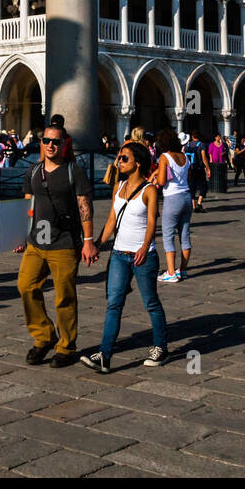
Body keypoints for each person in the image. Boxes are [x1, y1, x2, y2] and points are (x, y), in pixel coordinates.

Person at [81, 142, 168, 372]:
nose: (119, 162)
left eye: (124, 159)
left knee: (151, 303)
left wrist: (144, 246)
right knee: (114, 304)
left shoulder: (150, 189)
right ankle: (104, 355)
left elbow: (152, 222)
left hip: (143, 256)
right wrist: (98, 243)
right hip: (119, 254)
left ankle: (160, 346)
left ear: (137, 162)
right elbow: (112, 218)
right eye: (119, 158)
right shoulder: (119, 186)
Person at [19, 122, 98, 367]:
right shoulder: (33, 171)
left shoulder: (74, 171)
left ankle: (66, 346)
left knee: (64, 296)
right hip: (36, 242)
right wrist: (20, 234)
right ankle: (43, 336)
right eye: (46, 141)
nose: (51, 145)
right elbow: (27, 205)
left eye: (56, 141)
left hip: (63, 242)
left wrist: (88, 242)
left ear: (63, 144)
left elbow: (85, 207)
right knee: (26, 286)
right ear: (40, 143)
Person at [152, 129, 191, 282]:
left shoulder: (165, 157)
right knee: (185, 235)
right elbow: (188, 176)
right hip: (186, 196)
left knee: (168, 235)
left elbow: (162, 181)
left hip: (172, 198)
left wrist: (156, 177)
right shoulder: (185, 157)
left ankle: (170, 272)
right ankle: (183, 269)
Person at [185, 130, 208, 212]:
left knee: (192, 187)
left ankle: (193, 206)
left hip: (189, 169)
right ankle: (199, 203)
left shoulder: (187, 145)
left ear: (192, 137)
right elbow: (204, 157)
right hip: (199, 168)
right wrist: (208, 168)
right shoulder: (201, 145)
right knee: (203, 186)